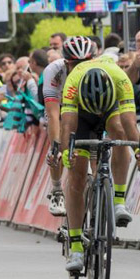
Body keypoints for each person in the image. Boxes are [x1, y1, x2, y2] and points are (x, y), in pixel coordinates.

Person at [60, 55, 140, 272]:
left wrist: (138, 150)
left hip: (112, 108)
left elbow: (130, 123)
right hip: (82, 115)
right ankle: (76, 247)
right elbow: (67, 127)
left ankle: (119, 201)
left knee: (119, 131)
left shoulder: (121, 79)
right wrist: (66, 153)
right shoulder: (72, 83)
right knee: (77, 177)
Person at [42, 36, 96, 216]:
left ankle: (98, 192)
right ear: (66, 63)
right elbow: (53, 114)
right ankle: (57, 190)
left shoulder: (98, 69)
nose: (80, 67)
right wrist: (56, 146)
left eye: (84, 63)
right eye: (75, 64)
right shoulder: (54, 71)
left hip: (85, 106)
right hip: (60, 105)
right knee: (57, 144)